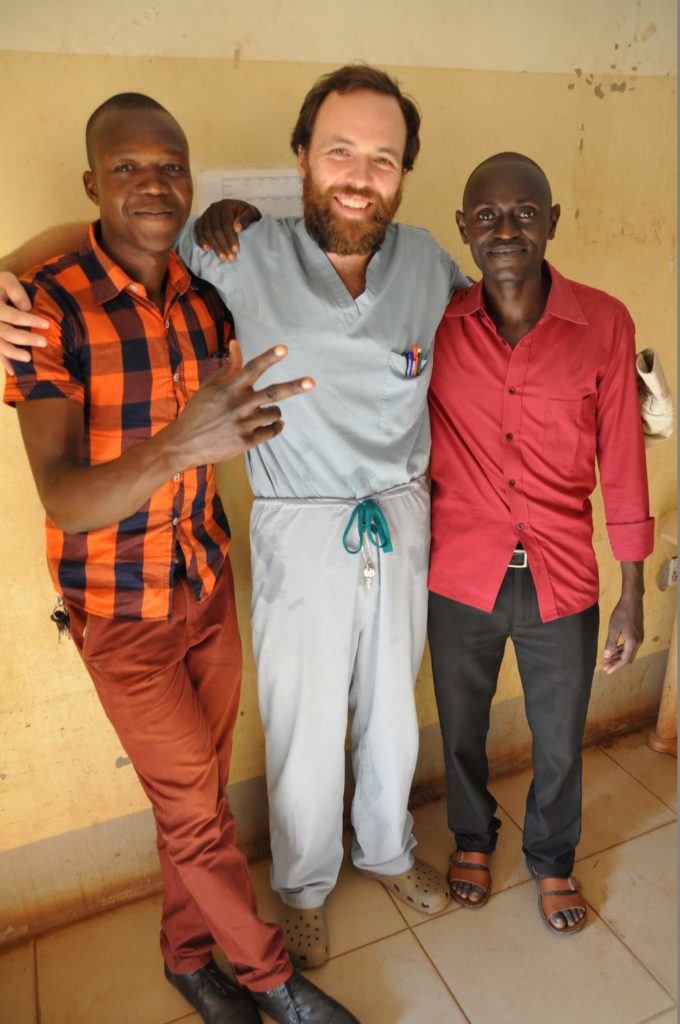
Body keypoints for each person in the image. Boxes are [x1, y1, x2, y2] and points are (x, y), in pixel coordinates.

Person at [0, 64, 463, 967]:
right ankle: (303, 885)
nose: (360, 175)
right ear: (302, 158)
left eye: (383, 157)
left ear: (405, 171)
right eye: (339, 151)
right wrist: (6, 273)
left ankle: (388, 848)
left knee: (394, 709)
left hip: (404, 514)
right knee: (302, 718)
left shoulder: (429, 264)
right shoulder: (236, 252)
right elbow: (109, 242)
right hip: (298, 519)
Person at [426, 152, 654, 934]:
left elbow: (622, 458)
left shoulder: (606, 324)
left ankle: (552, 859)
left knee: (561, 733)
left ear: (552, 222)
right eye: (486, 216)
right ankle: (471, 836)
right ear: (464, 229)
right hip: (461, 571)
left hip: (562, 574)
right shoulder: (436, 322)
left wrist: (633, 587)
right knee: (460, 725)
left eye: (526, 213)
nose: (506, 230)